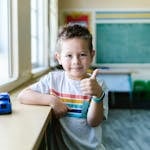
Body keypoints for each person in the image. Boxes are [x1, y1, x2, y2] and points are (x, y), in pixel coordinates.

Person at [17, 24, 108, 150]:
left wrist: (97, 95)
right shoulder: (53, 79)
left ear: (92, 55)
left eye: (82, 54)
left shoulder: (98, 85)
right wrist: (52, 100)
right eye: (69, 55)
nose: (76, 61)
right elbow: (23, 95)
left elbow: (94, 122)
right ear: (59, 58)